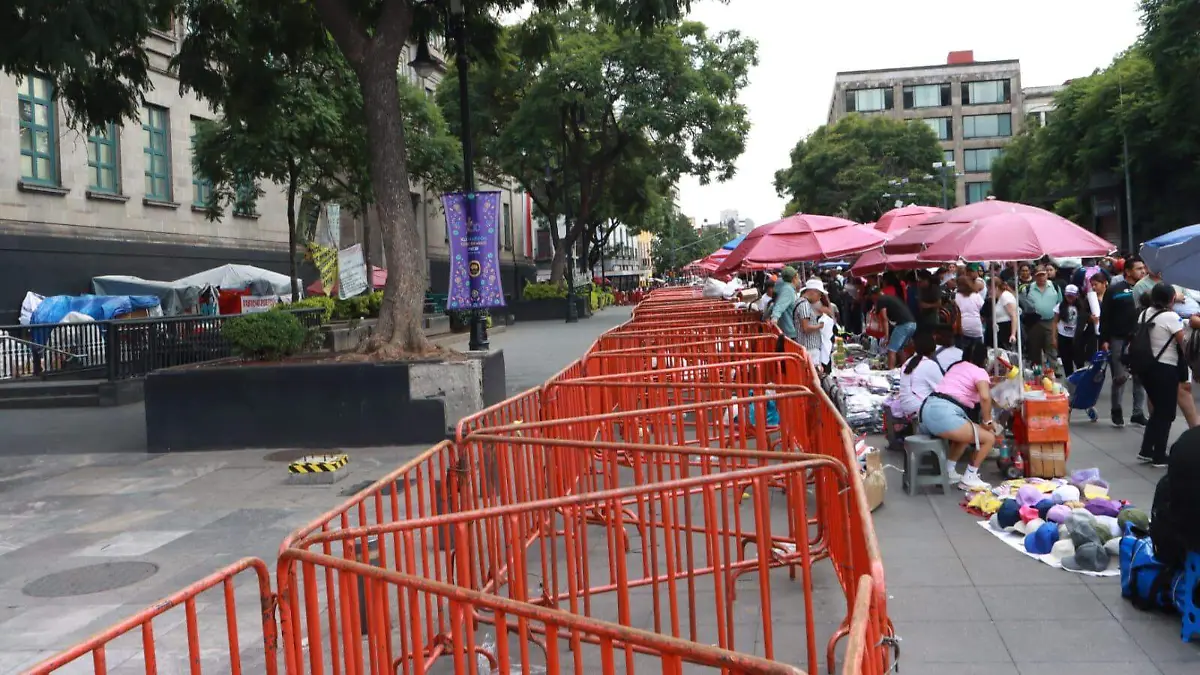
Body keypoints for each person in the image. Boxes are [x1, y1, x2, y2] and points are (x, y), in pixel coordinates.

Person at [918, 341, 997, 490]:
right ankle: (970, 476)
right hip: (945, 414)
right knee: (988, 438)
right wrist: (987, 421)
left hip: (927, 410)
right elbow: (985, 397)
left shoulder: (956, 366)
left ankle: (948, 471)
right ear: (984, 359)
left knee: (968, 433)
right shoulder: (980, 372)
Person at [1136, 282, 1187, 466]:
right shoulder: (1171, 317)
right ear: (1172, 298)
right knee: (1166, 413)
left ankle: (1146, 450)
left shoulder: (1144, 313)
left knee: (1158, 410)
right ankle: (1159, 454)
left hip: (1146, 368)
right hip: (1165, 368)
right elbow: (1184, 343)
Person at [1100, 255, 1148, 428]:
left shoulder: (1147, 290)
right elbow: (1105, 316)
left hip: (1140, 338)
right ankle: (1117, 408)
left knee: (1140, 377)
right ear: (1128, 271)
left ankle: (1138, 412)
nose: (1143, 271)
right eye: (1138, 269)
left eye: (1143, 268)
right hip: (1118, 338)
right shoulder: (1115, 290)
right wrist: (1104, 339)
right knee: (1120, 377)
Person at [868, 285, 918, 369]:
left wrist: (886, 336)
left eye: (872, 297)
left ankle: (890, 372)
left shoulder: (881, 300)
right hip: (912, 324)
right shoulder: (890, 297)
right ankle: (905, 370)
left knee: (891, 349)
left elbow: (884, 319)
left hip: (904, 324)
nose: (872, 299)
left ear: (874, 295)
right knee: (899, 349)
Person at [897, 331, 944, 419]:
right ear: (933, 348)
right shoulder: (930, 365)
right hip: (919, 407)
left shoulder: (908, 362)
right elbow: (942, 390)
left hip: (906, 406)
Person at [1023, 264, 1062, 369]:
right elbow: (1024, 306)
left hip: (1051, 321)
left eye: (1043, 275)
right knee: (1035, 348)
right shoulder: (1027, 289)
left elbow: (1060, 304)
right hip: (1035, 323)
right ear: (1035, 276)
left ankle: (1053, 370)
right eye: (1038, 275)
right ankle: (1037, 371)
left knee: (1051, 347)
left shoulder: (1054, 286)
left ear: (1047, 275)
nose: (1041, 277)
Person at [793, 278, 826, 360]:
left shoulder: (800, 302)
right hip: (809, 348)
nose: (819, 298)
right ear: (812, 292)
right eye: (819, 294)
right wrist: (820, 326)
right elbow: (806, 328)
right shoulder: (804, 305)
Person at [1051, 284, 1081, 377]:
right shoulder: (1060, 306)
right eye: (1068, 295)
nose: (1070, 298)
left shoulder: (1081, 307)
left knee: (1078, 360)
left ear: (1077, 295)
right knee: (1066, 361)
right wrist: (1054, 338)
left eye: (1072, 295)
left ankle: (1079, 378)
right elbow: (1055, 322)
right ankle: (1069, 378)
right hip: (1063, 335)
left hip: (1076, 336)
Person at [769, 266, 800, 340]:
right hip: (790, 332)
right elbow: (779, 306)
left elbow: (775, 305)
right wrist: (774, 318)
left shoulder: (783, 286)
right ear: (794, 278)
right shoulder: (788, 289)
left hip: (788, 331)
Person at [955, 275, 985, 348]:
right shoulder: (976, 295)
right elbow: (983, 309)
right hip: (976, 326)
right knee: (977, 352)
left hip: (964, 326)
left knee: (965, 352)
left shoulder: (957, 296)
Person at [990, 277, 1019, 347]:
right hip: (1001, 329)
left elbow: (1013, 316)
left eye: (990, 289)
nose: (989, 292)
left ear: (996, 288)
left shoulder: (1005, 297)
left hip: (1007, 329)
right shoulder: (1001, 297)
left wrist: (1013, 334)